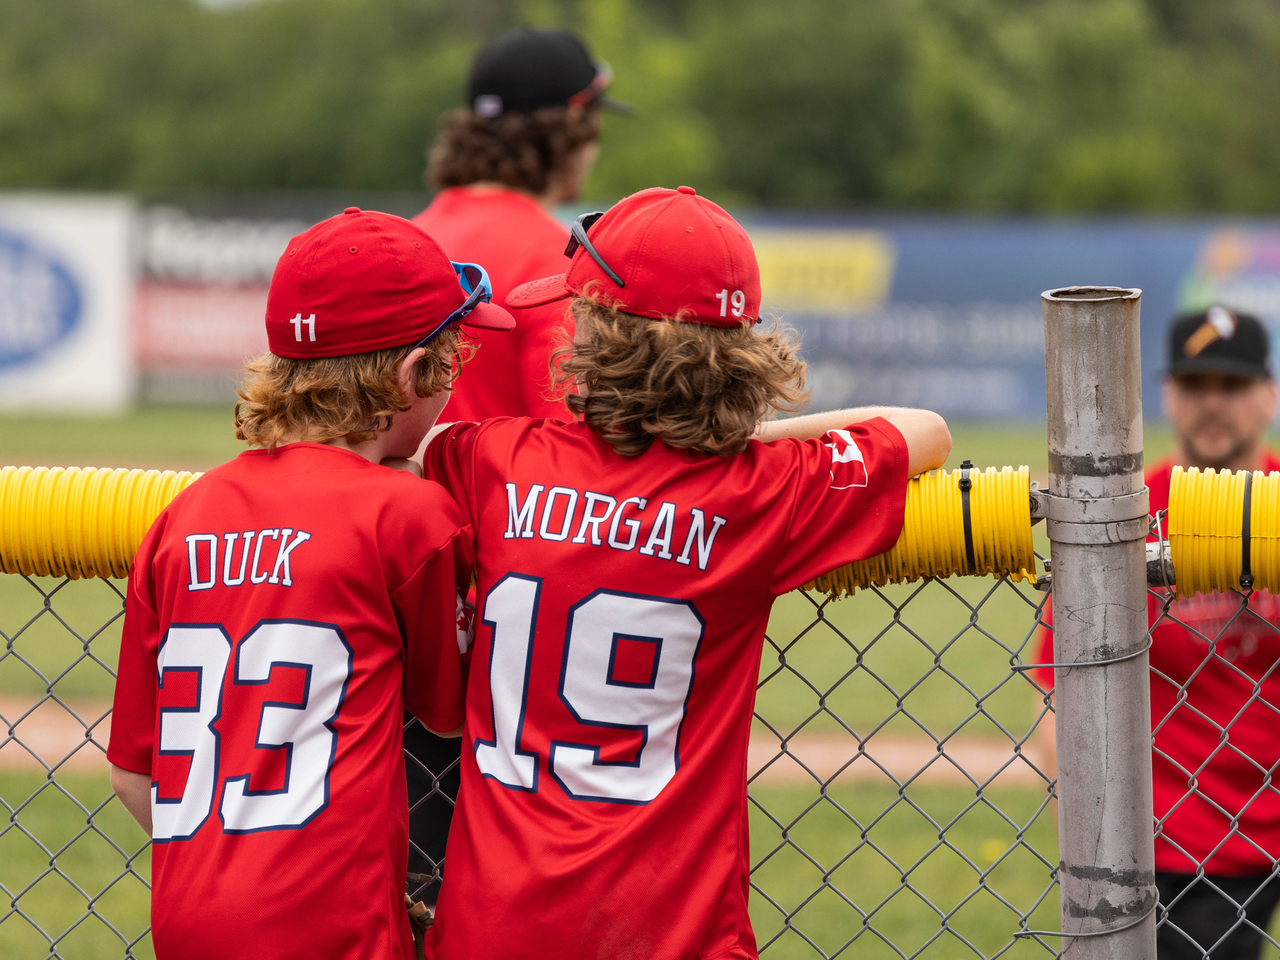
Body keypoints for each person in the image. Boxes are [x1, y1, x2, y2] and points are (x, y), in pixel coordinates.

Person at [420, 185, 952, 959]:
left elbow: (411, 451)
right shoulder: (762, 487)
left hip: (493, 925)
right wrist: (736, 435)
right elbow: (923, 430)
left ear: (595, 341)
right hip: (671, 930)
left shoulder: (494, 458)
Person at [106, 207, 516, 959]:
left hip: (190, 915)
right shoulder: (408, 515)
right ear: (406, 377)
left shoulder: (183, 514)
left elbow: (134, 771)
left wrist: (235, 872)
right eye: (449, 360)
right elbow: (451, 716)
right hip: (336, 922)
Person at [407, 25, 628, 904]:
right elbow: (577, 448)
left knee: (415, 885)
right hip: (523, 627)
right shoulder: (555, 260)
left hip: (397, 606)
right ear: (569, 128)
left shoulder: (403, 242)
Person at [1036, 306, 1280, 960]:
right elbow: (1058, 692)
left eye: (1231, 386)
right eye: (1196, 385)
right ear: (1167, 395)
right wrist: (1091, 851)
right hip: (1177, 841)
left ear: (1269, 395)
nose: (1213, 404)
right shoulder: (1122, 518)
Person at [414, 25, 628, 422]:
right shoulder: (562, 263)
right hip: (496, 485)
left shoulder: (405, 239)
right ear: (575, 121)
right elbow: (569, 449)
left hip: (398, 485)